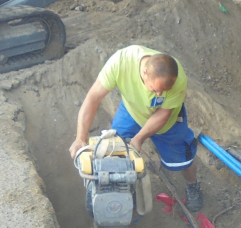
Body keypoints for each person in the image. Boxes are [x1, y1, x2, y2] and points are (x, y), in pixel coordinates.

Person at [69, 45, 203, 212]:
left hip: (167, 122)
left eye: (164, 91)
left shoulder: (177, 78)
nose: (160, 95)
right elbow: (93, 98)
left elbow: (163, 114)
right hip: (132, 111)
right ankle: (119, 193)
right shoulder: (120, 63)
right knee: (114, 152)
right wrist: (80, 137)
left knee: (183, 159)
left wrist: (139, 138)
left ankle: (192, 185)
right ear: (145, 73)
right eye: (156, 89)